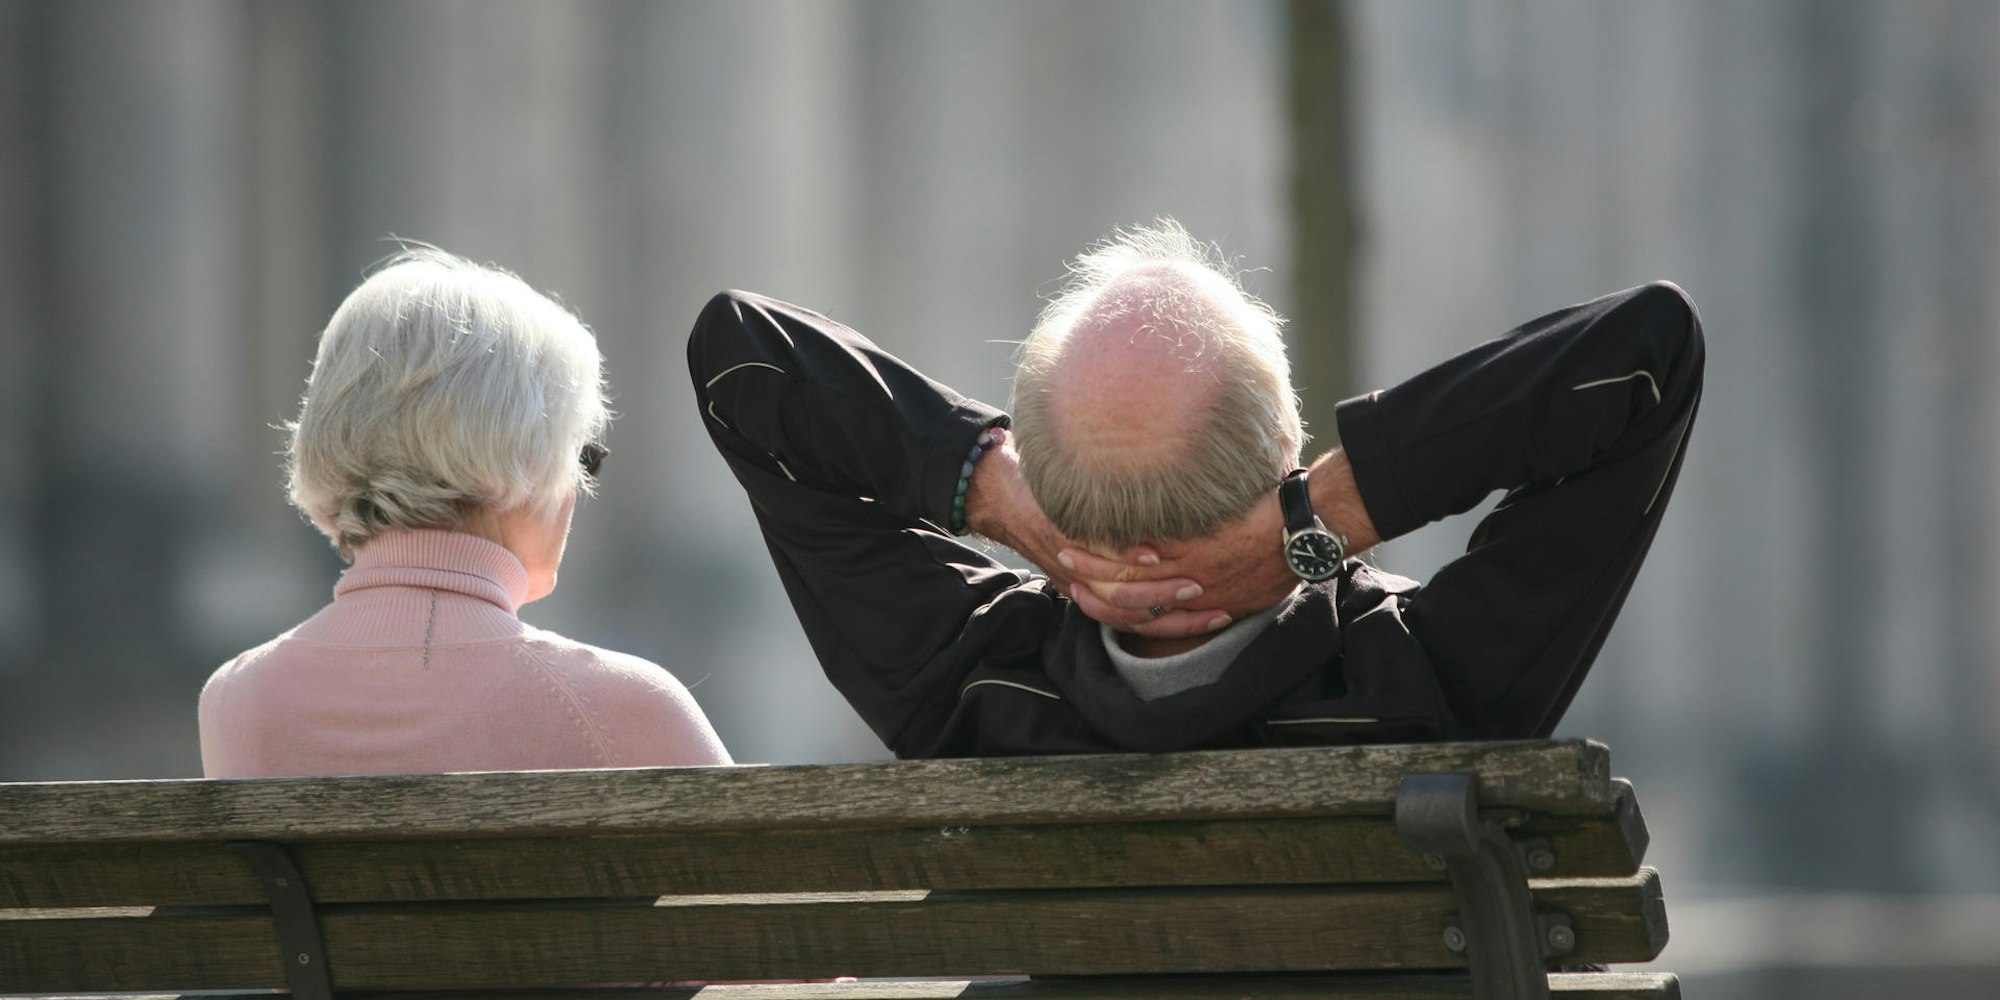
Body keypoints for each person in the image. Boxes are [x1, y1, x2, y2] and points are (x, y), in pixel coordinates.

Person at [688, 220, 1702, 757]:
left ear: (1050, 481)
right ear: (1290, 441)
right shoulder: (1428, 679)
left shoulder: (963, 688)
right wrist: (1317, 525)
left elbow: (744, 365)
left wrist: (997, 499)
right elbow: (1645, 355)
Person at [200, 248, 731, 777]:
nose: (578, 490)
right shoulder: (625, 706)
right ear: (529, 455)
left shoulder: (236, 699)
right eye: (582, 457)